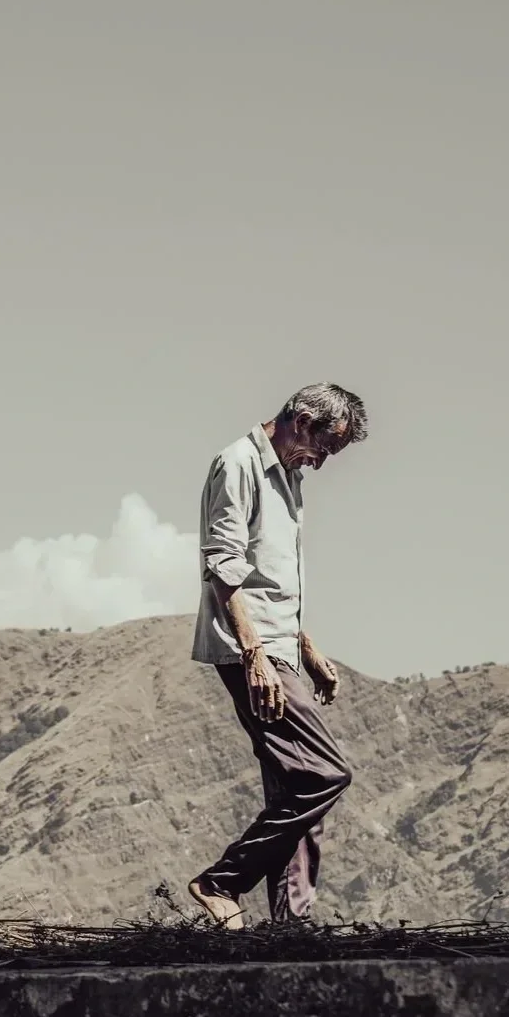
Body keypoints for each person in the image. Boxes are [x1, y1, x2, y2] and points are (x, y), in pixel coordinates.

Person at [188, 383, 368, 929]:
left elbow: (270, 580)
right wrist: (256, 655)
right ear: (302, 419)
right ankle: (221, 883)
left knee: (298, 790)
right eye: (323, 448)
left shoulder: (287, 478)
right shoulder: (238, 463)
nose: (319, 462)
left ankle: (290, 928)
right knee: (326, 774)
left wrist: (306, 647)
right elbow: (222, 564)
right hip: (254, 652)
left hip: (278, 647)